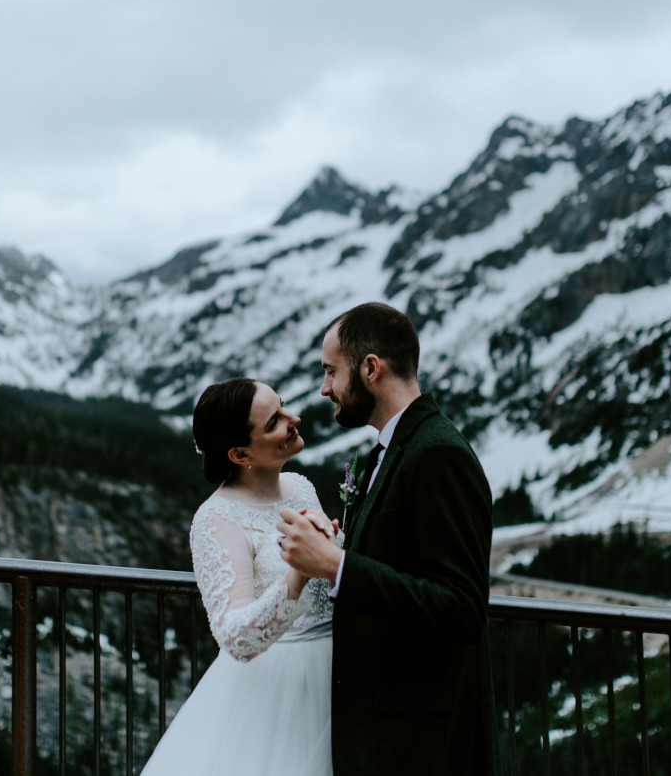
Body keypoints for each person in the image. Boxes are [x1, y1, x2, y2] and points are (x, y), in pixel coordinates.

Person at [278, 302, 498, 776]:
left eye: (331, 372)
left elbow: (460, 607)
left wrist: (337, 566)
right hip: (380, 729)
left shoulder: (438, 453)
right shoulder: (390, 448)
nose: (324, 388)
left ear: (370, 368)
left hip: (417, 742)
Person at [140, 378, 338, 776]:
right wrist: (299, 572)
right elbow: (236, 636)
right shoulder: (216, 519)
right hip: (279, 692)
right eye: (274, 422)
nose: (293, 419)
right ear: (239, 453)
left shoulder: (301, 487)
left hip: (342, 668)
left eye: (282, 406)